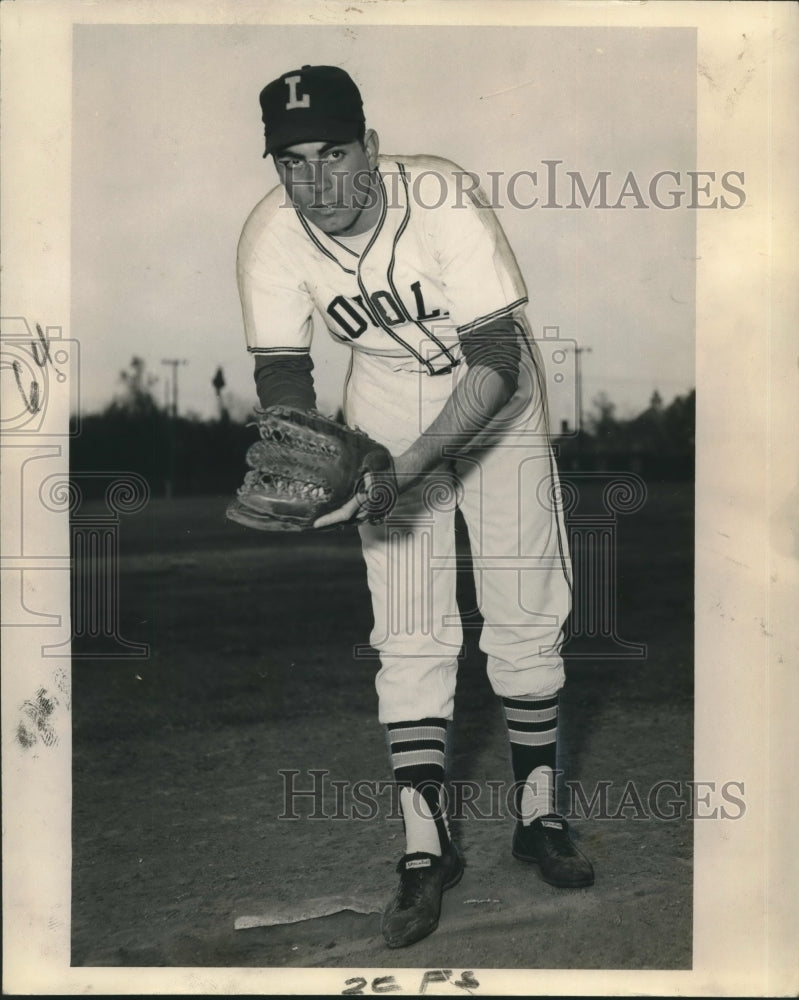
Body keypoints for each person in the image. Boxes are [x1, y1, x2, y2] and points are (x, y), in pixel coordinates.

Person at [236, 63, 593, 949]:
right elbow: (283, 376)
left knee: (522, 606)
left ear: (372, 148)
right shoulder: (270, 234)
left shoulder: (438, 198)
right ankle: (425, 848)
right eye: (292, 162)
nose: (315, 182)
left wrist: (406, 473)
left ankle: (538, 816)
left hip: (492, 394)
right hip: (385, 395)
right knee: (408, 625)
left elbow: (497, 361)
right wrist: (306, 450)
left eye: (333, 153)